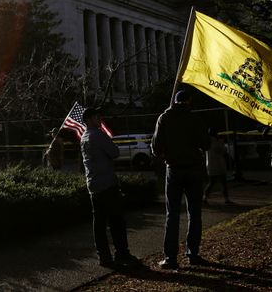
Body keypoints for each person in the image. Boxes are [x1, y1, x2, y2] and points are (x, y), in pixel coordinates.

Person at [151, 89, 211, 269]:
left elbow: (156, 147)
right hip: (194, 168)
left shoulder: (164, 118)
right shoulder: (195, 119)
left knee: (173, 215)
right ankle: (193, 253)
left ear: (175, 101)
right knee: (195, 213)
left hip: (174, 169)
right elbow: (206, 144)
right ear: (189, 101)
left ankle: (170, 257)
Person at [80, 107, 140, 269]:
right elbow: (114, 152)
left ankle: (104, 256)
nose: (100, 119)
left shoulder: (84, 137)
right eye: (97, 117)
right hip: (107, 184)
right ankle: (122, 253)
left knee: (99, 223)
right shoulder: (98, 135)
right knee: (116, 221)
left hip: (93, 184)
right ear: (89, 120)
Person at [204, 128, 233, 205]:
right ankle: (226, 199)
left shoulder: (212, 141)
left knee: (213, 182)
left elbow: (223, 151)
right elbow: (223, 151)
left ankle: (205, 198)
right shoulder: (214, 141)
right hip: (216, 164)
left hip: (214, 164)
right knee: (219, 182)